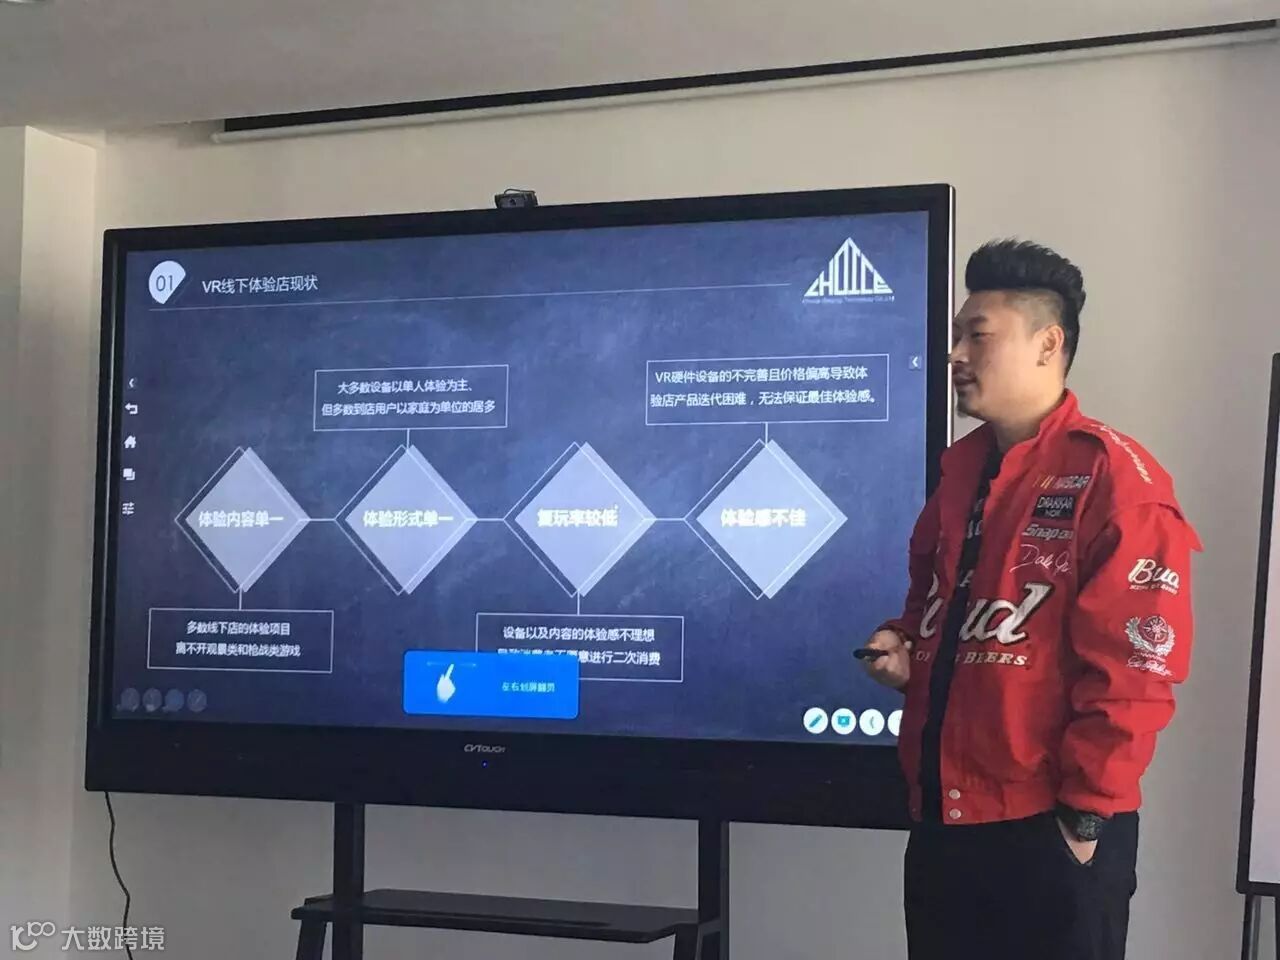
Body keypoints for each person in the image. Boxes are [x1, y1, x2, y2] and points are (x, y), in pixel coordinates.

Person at [860, 239, 1200, 960]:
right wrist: (904, 647)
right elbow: (930, 605)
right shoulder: (960, 471)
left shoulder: (1116, 480)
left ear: (1048, 344)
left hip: (1050, 830)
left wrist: (1085, 819)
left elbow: (1136, 672)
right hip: (945, 822)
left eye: (977, 336)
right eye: (956, 337)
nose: (955, 355)